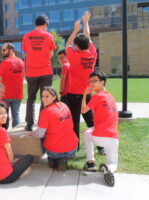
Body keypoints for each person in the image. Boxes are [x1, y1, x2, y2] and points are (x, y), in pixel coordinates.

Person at [66, 11, 102, 152]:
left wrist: (75, 30)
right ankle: (100, 146)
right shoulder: (92, 54)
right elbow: (88, 37)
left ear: (78, 47)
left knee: (74, 122)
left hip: (74, 93)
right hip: (87, 93)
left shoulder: (74, 55)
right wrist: (86, 22)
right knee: (90, 120)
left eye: (76, 45)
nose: (74, 46)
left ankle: (75, 149)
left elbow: (68, 43)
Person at [81, 71, 118, 186]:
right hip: (113, 138)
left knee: (87, 133)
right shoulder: (111, 97)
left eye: (94, 81)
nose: (91, 84)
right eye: (90, 81)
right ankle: (108, 168)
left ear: (102, 82)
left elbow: (83, 110)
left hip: (100, 137)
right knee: (113, 164)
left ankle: (91, 162)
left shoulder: (97, 96)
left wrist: (84, 95)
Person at [30, 86, 78, 171]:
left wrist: (33, 133)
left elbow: (40, 134)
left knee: (42, 136)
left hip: (56, 151)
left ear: (54, 97)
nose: (44, 99)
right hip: (72, 148)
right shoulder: (64, 105)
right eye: (42, 96)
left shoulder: (45, 112)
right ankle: (63, 160)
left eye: (47, 96)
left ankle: (53, 160)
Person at [22, 15, 57, 131]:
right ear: (45, 24)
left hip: (31, 72)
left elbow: (27, 53)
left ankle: (29, 124)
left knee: (31, 98)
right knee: (46, 97)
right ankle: (42, 123)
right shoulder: (49, 36)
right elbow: (51, 54)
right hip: (45, 71)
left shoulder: (26, 36)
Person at [0, 102, 33, 184]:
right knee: (29, 158)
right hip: (4, 177)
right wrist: (12, 162)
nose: (4, 116)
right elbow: (10, 153)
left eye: (5, 113)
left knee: (17, 160)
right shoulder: (2, 131)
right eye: (0, 113)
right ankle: (19, 173)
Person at [0, 43, 25, 127]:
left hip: (5, 95)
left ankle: (3, 137)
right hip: (18, 94)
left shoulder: (4, 63)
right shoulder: (21, 62)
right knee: (16, 116)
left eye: (4, 50)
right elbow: (23, 76)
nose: (2, 52)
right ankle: (15, 138)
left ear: (11, 50)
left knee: (3, 117)